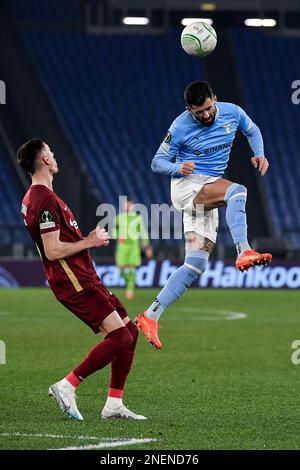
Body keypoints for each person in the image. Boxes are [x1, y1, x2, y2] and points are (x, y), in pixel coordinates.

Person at [135, 81, 272, 350]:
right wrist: (178, 167)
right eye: (199, 112)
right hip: (187, 187)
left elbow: (252, 130)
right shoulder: (180, 126)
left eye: (209, 109)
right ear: (189, 110)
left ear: (215, 100)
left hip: (206, 192)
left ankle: (150, 316)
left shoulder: (232, 112)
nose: (206, 115)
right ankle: (243, 250)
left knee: (196, 265)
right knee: (237, 191)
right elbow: (156, 162)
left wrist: (259, 154)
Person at [17, 138, 146, 421]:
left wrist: (85, 242)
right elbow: (52, 250)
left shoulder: (36, 197)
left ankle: (113, 404)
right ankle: (67, 385)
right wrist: (89, 241)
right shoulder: (44, 199)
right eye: (50, 151)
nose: (54, 154)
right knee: (120, 336)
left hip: (82, 276)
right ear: (46, 161)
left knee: (130, 333)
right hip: (72, 280)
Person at [113, 197, 153, 300]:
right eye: (126, 205)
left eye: (129, 205)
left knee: (131, 267)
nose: (128, 207)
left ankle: (130, 289)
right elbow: (113, 230)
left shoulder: (137, 218)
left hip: (134, 246)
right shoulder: (119, 218)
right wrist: (117, 237)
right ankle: (128, 283)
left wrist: (147, 246)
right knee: (121, 267)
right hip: (122, 247)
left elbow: (143, 232)